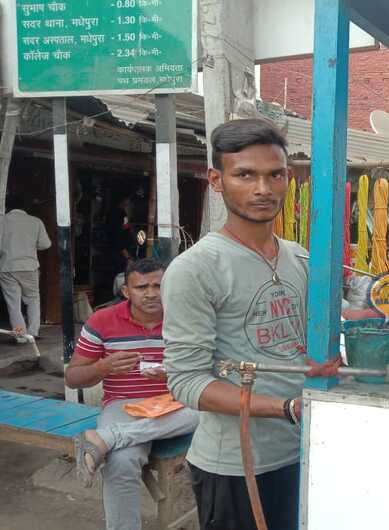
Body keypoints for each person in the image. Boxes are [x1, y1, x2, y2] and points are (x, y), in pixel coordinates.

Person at [162, 119, 336, 530]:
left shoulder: (299, 257)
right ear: (217, 180)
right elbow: (186, 381)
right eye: (245, 175)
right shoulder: (196, 268)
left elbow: (315, 334)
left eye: (274, 174)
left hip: (305, 452)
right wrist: (286, 409)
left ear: (288, 179)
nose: (263, 189)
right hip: (236, 466)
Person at [66, 258, 198, 530]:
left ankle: (106, 438)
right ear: (126, 291)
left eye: (158, 285)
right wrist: (103, 366)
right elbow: (73, 377)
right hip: (124, 406)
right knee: (121, 461)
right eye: (142, 287)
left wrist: (175, 373)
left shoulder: (189, 318)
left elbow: (211, 373)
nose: (151, 293)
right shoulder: (102, 321)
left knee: (206, 409)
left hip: (177, 404)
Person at [0, 195, 51, 341]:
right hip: (29, 267)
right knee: (33, 299)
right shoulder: (36, 221)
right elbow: (45, 244)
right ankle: (33, 332)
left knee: (13, 303)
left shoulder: (2, 221)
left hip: (7, 267)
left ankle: (21, 336)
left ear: (7, 207)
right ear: (25, 208)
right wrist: (29, 246)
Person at [107, 194, 135, 274]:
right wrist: (127, 256)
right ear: (123, 200)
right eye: (128, 200)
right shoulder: (119, 214)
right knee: (120, 274)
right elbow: (118, 237)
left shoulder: (119, 213)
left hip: (120, 250)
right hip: (120, 252)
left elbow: (126, 227)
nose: (129, 202)